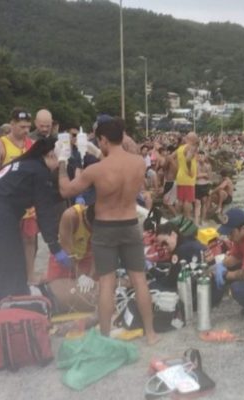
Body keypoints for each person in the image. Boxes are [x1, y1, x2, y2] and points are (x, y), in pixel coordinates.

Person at [57, 115, 159, 345]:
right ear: (121, 137)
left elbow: (66, 191)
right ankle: (151, 334)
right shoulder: (139, 163)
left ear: (102, 139)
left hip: (105, 227)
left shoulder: (97, 170)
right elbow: (122, 160)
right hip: (131, 223)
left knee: (107, 283)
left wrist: (62, 161)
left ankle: (104, 336)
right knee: (139, 279)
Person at [0, 136, 72, 343]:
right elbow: (45, 211)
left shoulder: (24, 165)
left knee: (13, 276)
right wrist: (55, 248)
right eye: (60, 161)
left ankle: (13, 322)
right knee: (6, 277)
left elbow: (44, 197)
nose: (58, 167)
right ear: (50, 155)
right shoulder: (38, 172)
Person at [0, 108, 40, 284]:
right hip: (7, 203)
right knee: (7, 241)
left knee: (29, 240)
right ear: (12, 124)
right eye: (21, 127)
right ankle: (6, 276)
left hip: (28, 202)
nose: (25, 131)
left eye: (28, 127)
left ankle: (30, 276)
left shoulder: (32, 144)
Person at [46, 203, 94, 282]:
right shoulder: (71, 216)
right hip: (66, 259)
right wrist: (81, 275)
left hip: (87, 257)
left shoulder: (104, 220)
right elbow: (67, 253)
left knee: (92, 288)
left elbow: (98, 253)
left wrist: (90, 277)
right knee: (55, 287)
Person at [174, 132, 198, 219]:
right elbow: (188, 159)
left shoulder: (180, 148)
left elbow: (171, 157)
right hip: (188, 178)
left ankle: (178, 217)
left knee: (180, 200)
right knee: (187, 201)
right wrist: (189, 171)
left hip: (180, 176)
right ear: (194, 140)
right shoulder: (190, 148)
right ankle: (187, 219)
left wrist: (179, 169)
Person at [194, 151, 212, 225]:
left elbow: (209, 177)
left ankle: (202, 220)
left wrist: (201, 175)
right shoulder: (195, 165)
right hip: (197, 185)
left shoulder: (208, 166)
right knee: (197, 204)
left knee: (204, 203)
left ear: (205, 157)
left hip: (205, 185)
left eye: (202, 156)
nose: (201, 158)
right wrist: (204, 174)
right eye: (199, 156)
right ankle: (196, 221)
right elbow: (195, 176)